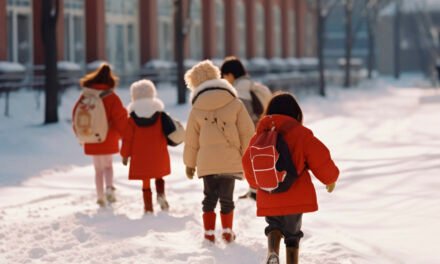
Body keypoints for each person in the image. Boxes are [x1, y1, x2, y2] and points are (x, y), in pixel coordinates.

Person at [241, 92, 339, 264]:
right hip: (295, 194)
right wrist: (330, 179)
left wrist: (256, 184)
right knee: (293, 234)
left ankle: (272, 251)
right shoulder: (301, 134)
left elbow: (248, 163)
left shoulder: (259, 136)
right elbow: (320, 158)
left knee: (273, 226)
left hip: (269, 193)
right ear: (296, 113)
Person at [183, 60, 254, 243]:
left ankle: (208, 233)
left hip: (207, 162)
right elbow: (247, 132)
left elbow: (191, 140)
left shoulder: (196, 107)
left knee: (208, 198)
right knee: (227, 198)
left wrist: (190, 164)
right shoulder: (234, 102)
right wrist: (247, 157)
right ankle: (228, 231)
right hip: (230, 159)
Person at [72, 64, 127, 207]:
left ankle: (100, 196)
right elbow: (120, 118)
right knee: (108, 166)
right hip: (109, 137)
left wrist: (80, 134)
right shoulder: (111, 97)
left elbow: (76, 116)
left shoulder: (86, 95)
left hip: (90, 136)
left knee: (97, 169)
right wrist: (125, 135)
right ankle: (109, 188)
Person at [121, 79, 180, 213]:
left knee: (145, 180)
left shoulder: (132, 119)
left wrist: (125, 155)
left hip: (140, 156)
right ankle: (161, 196)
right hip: (158, 153)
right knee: (159, 175)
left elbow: (127, 139)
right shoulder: (159, 115)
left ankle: (148, 207)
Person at [220, 56, 272, 200]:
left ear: (230, 74)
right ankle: (254, 190)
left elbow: (244, 115)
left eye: (224, 75)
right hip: (263, 131)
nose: (224, 79)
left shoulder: (239, 90)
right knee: (256, 162)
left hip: (252, 132)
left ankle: (256, 192)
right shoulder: (253, 85)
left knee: (251, 163)